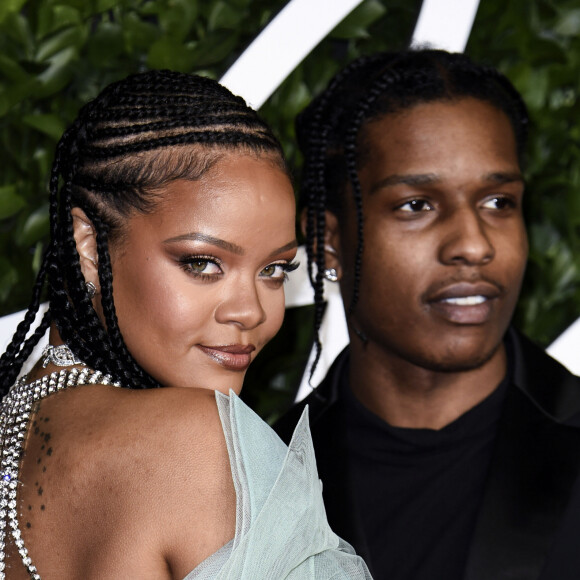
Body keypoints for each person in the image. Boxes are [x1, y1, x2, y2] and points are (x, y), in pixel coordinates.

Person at [0, 70, 372, 579]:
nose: (251, 311)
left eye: (274, 270)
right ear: (88, 245)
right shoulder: (199, 441)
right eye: (202, 263)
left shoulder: (14, 425)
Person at [275, 49, 580, 580]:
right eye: (417, 205)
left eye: (498, 202)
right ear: (326, 239)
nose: (473, 244)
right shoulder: (262, 479)